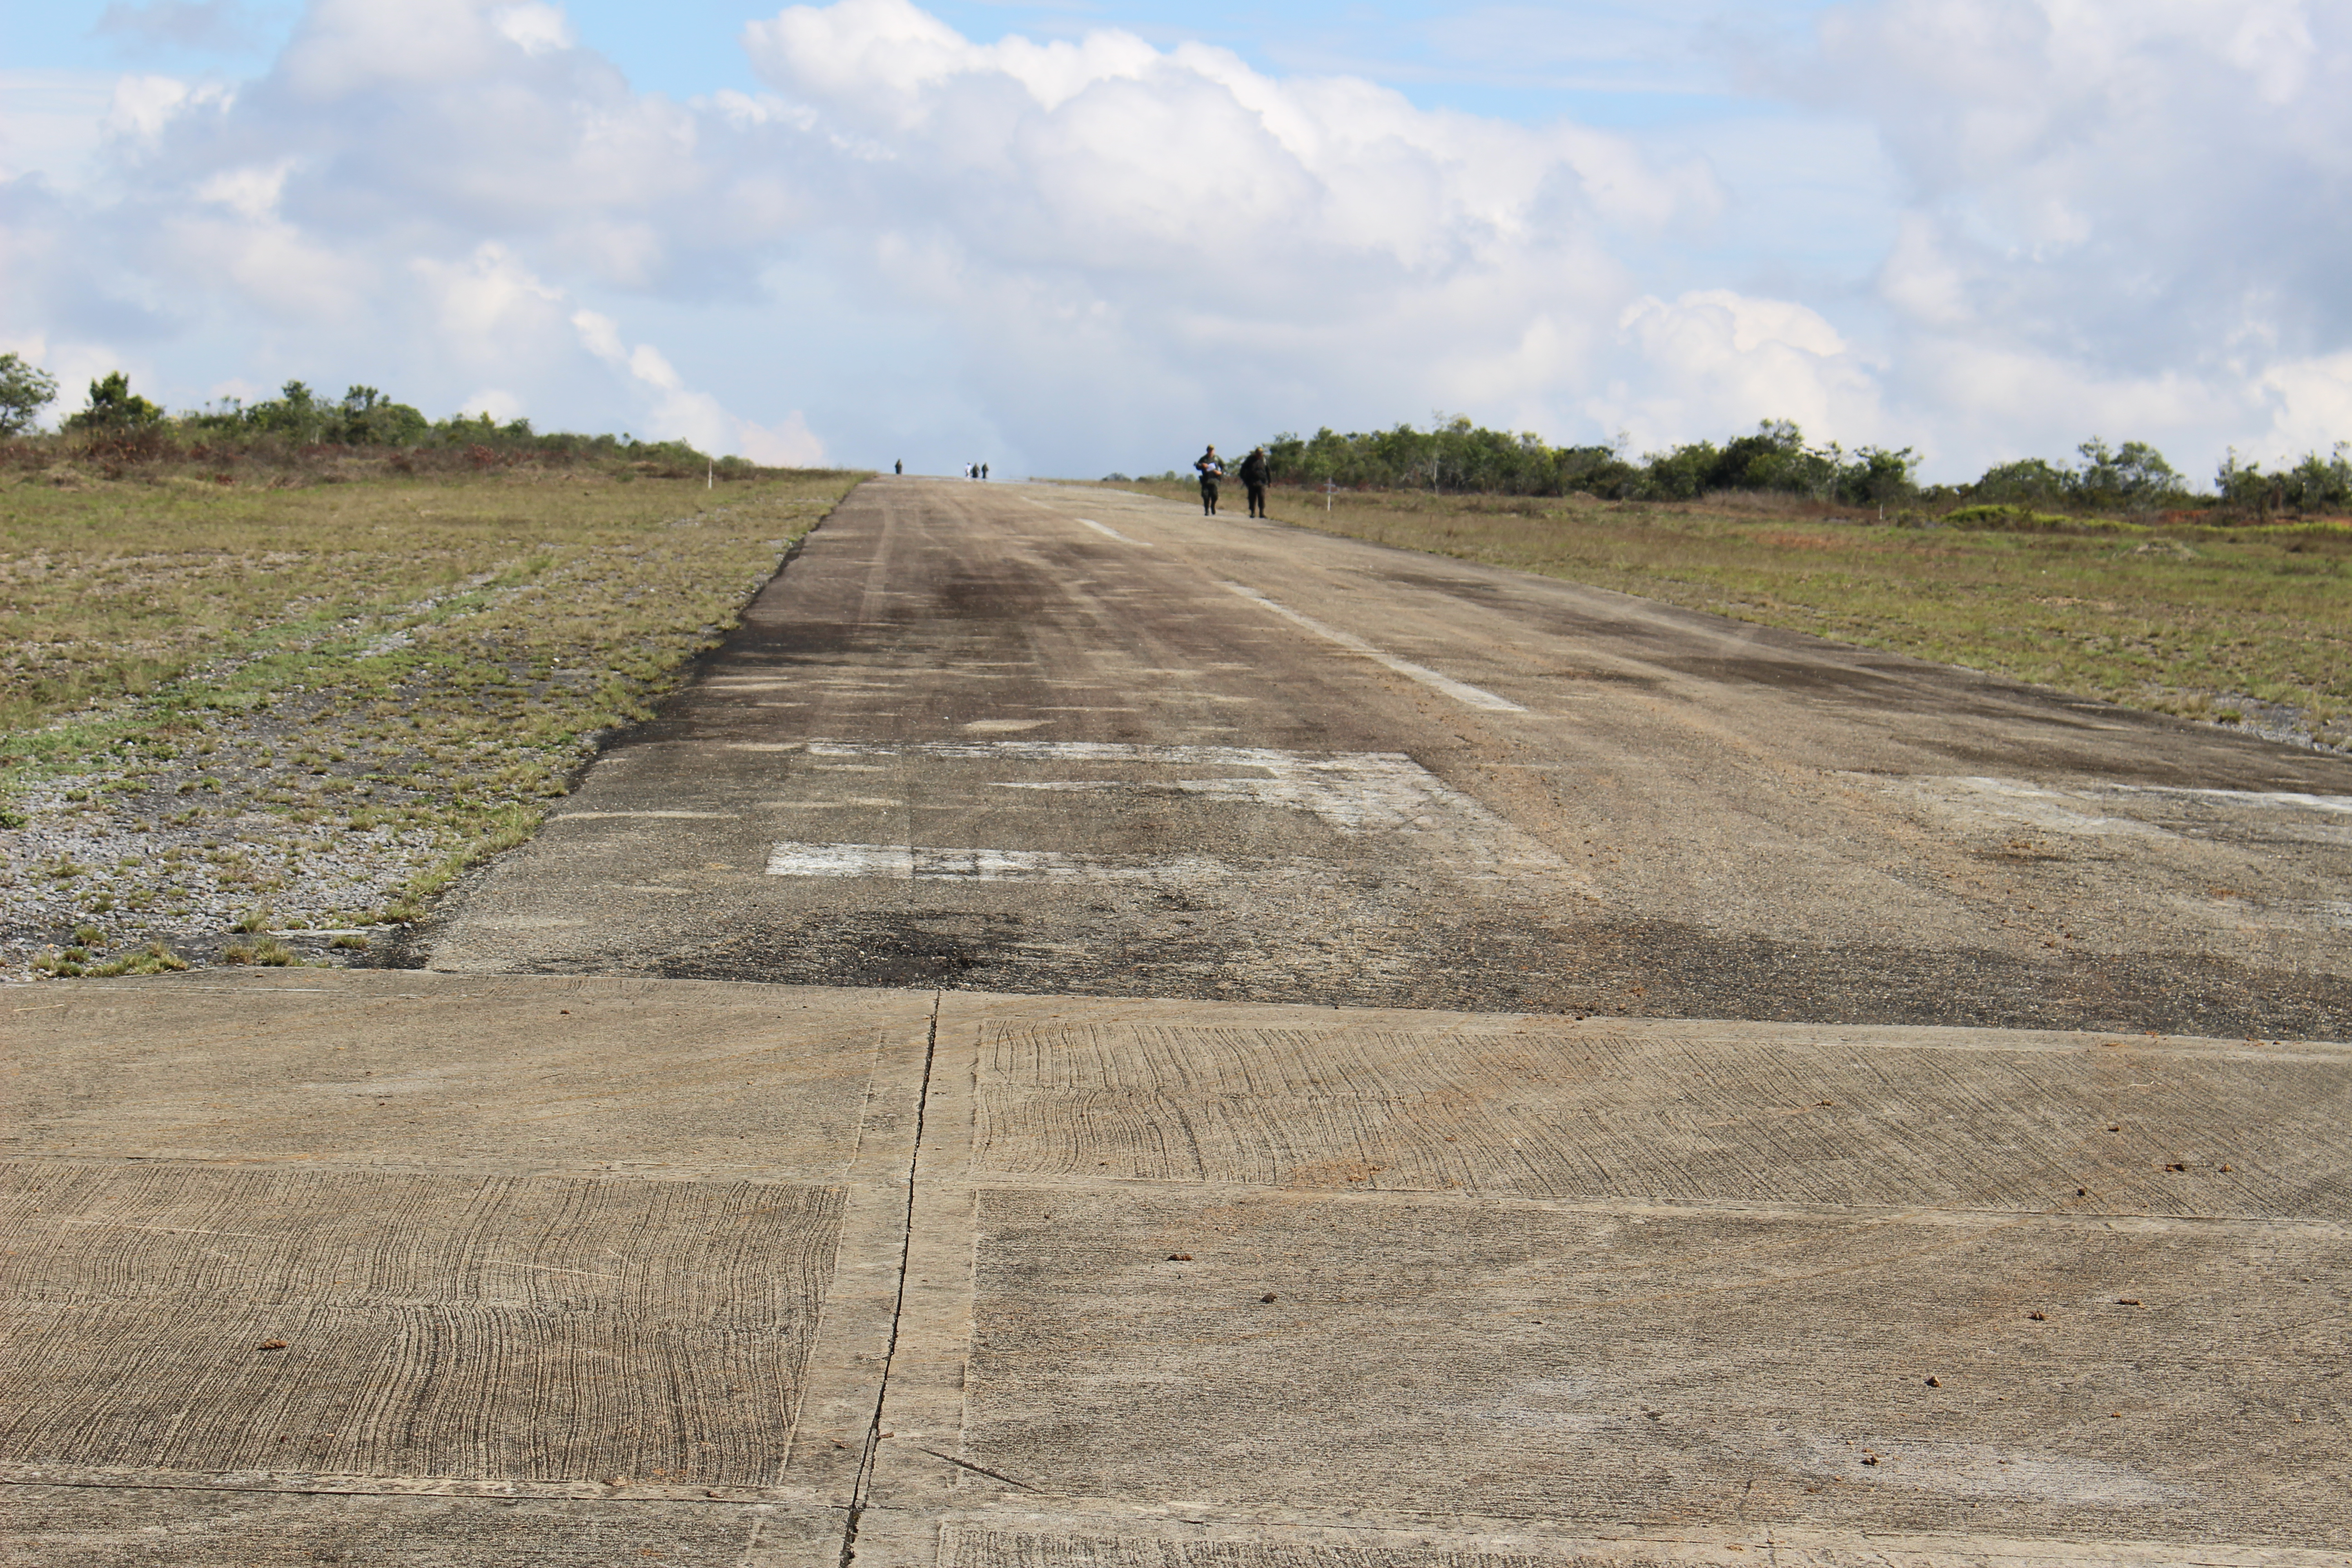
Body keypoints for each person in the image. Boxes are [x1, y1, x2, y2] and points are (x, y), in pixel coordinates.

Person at [1239, 445, 1270, 518]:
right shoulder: (1250, 460)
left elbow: (1268, 471)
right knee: (1252, 498)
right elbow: (1243, 469)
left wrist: (1270, 481)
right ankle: (1253, 512)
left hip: (1261, 482)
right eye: (1258, 453)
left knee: (1262, 497)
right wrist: (1244, 479)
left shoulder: (1264, 460)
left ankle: (1262, 513)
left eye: (1261, 453)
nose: (1259, 455)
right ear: (1256, 453)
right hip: (1252, 482)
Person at [1194, 445, 1224, 515]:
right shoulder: (1204, 459)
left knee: (1215, 495)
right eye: (1209, 450)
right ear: (1207, 451)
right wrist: (1202, 466)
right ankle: (1207, 510)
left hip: (1215, 480)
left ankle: (1213, 506)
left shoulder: (1217, 458)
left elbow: (1224, 466)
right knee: (1205, 495)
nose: (1210, 451)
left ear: (1214, 451)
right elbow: (1198, 466)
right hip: (1206, 479)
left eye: (1212, 450)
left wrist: (1221, 472)